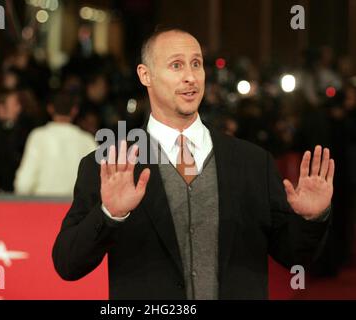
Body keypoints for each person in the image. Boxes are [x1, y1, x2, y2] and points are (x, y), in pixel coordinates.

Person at [52, 28, 334, 299]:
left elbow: (295, 256)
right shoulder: (109, 163)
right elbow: (68, 264)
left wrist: (312, 219)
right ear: (145, 75)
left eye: (196, 64)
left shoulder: (253, 162)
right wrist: (108, 214)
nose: (191, 77)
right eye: (176, 66)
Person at [14, 92, 97, 196]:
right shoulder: (87, 141)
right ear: (74, 110)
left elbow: (23, 185)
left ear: (50, 109)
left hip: (42, 208)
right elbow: (97, 184)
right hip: (76, 208)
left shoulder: (38, 137)